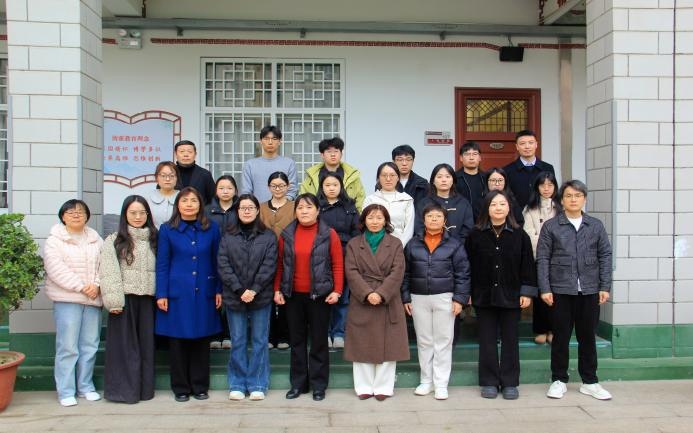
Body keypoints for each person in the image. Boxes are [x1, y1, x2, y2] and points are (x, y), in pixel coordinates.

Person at [537, 180, 612, 401]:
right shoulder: (551, 226)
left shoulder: (595, 225)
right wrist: (545, 288)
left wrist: (604, 286)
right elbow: (543, 258)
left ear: (584, 199)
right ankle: (559, 380)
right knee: (560, 337)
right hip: (560, 290)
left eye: (577, 196)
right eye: (568, 195)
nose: (573, 199)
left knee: (587, 337)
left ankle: (590, 381)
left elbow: (605, 256)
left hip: (589, 290)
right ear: (561, 200)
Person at [465, 190, 537, 400]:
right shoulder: (475, 235)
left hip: (511, 295)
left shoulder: (520, 235)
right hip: (483, 295)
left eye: (502, 204)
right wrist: (467, 292)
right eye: (493, 204)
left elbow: (528, 266)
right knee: (487, 340)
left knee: (510, 340)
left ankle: (509, 382)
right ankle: (489, 381)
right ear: (486, 208)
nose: (498, 208)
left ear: (509, 208)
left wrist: (527, 292)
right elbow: (466, 266)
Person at [273, 193, 344, 401]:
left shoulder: (329, 234)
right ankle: (298, 384)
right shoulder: (287, 234)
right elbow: (280, 264)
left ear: (318, 210)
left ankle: (319, 385)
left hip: (320, 296)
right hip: (293, 295)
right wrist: (277, 289)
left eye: (309, 207)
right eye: (300, 207)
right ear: (295, 211)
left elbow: (337, 264)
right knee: (297, 342)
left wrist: (337, 290)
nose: (304, 211)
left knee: (319, 341)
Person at [155, 187, 222, 403]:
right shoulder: (168, 230)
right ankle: (181, 387)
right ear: (178, 205)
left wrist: (218, 289)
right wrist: (161, 293)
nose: (189, 204)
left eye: (194, 200)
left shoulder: (211, 228)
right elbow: (162, 264)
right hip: (177, 293)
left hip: (205, 291)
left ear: (200, 204)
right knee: (178, 342)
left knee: (201, 340)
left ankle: (200, 386)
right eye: (185, 201)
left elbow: (217, 261)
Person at [401, 202, 470, 401]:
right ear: (423, 220)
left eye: (438, 216)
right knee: (424, 341)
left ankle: (441, 384)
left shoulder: (454, 244)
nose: (433, 219)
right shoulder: (413, 244)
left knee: (443, 341)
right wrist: (405, 297)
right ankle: (426, 381)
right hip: (418, 297)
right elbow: (405, 273)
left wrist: (459, 299)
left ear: (444, 220)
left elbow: (463, 273)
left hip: (445, 297)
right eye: (430, 216)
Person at [343, 204, 409, 401]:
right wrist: (367, 293)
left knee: (389, 345)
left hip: (388, 299)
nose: (374, 222)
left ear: (385, 221)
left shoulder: (395, 243)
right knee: (361, 344)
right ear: (364, 220)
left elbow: (398, 271)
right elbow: (351, 271)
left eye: (379, 218)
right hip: (361, 298)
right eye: (371, 217)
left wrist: (381, 293)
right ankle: (363, 386)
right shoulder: (354, 244)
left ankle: (383, 387)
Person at [217, 194, 278, 402]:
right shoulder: (228, 236)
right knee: (238, 340)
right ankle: (237, 383)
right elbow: (223, 265)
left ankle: (257, 384)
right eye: (242, 208)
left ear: (257, 210)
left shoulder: (268, 236)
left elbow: (269, 265)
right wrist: (239, 290)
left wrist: (254, 289)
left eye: (250, 207)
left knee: (260, 341)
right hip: (234, 297)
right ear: (237, 211)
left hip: (260, 297)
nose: (246, 211)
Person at [43, 199, 103, 407]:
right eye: (71, 212)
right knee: (68, 346)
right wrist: (81, 287)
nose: (76, 215)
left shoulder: (96, 239)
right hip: (67, 298)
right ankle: (66, 391)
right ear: (63, 216)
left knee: (89, 345)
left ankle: (85, 387)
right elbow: (55, 268)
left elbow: (104, 265)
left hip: (93, 299)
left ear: (87, 216)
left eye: (80, 212)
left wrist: (96, 285)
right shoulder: (54, 240)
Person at [99, 195, 157, 404]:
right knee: (123, 349)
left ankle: (144, 391)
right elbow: (109, 271)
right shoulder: (114, 240)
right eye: (133, 213)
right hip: (124, 301)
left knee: (146, 348)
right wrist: (114, 301)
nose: (138, 217)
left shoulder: (155, 239)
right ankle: (123, 392)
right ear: (125, 214)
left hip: (148, 300)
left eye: (142, 212)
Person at [316, 173, 360, 349]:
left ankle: (339, 333)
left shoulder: (350, 207)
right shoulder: (316, 206)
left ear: (341, 187)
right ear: (322, 187)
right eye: (327, 185)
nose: (331, 188)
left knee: (342, 297)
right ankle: (324, 333)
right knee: (323, 297)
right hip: (321, 256)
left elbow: (357, 232)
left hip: (345, 255)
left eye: (335, 185)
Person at [522, 172, 561, 345]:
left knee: (557, 295)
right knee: (540, 295)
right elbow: (528, 234)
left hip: (559, 258)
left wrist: (546, 238)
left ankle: (554, 329)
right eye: (543, 185)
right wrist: (549, 240)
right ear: (537, 187)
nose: (546, 189)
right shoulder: (529, 208)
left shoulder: (561, 207)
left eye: (550, 185)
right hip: (537, 257)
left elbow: (564, 235)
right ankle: (540, 329)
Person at [259, 171, 295, 350]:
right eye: (274, 186)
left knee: (286, 297)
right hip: (265, 258)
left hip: (289, 257)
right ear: (268, 187)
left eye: (281, 185)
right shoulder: (261, 207)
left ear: (288, 186)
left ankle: (284, 336)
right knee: (267, 298)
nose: (278, 189)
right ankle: (269, 335)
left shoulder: (295, 207)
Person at [205, 174, 239, 350]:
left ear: (235, 190)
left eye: (229, 188)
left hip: (236, 260)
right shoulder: (206, 210)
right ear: (216, 191)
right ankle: (214, 334)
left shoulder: (241, 208)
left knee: (231, 298)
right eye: (221, 188)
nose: (225, 191)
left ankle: (228, 334)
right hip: (212, 259)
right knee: (213, 297)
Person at [300, 137, 366, 211]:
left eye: (336, 151)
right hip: (318, 215)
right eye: (329, 152)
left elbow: (360, 199)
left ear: (341, 154)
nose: (333, 154)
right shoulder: (312, 175)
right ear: (322, 155)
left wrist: (356, 216)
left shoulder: (352, 175)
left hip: (346, 215)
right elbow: (303, 197)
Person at [415, 163, 474, 243]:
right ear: (433, 181)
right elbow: (419, 228)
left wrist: (456, 245)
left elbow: (467, 230)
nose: (444, 180)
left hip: (458, 247)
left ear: (453, 180)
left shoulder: (463, 203)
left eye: (447, 176)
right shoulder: (424, 203)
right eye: (439, 177)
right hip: (430, 246)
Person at [363, 162, 415, 246]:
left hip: (400, 246)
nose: (388, 179)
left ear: (398, 178)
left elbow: (409, 229)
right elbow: (365, 225)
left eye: (392, 175)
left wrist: (399, 246)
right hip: (374, 246)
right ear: (378, 178)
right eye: (384, 175)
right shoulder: (370, 200)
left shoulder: (406, 199)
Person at [242, 125, 298, 203]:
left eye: (274, 139)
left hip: (283, 208)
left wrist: (280, 205)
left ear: (280, 141)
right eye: (266, 139)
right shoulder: (250, 165)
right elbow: (246, 191)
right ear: (261, 141)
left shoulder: (289, 163)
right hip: (257, 208)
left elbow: (292, 190)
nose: (270, 142)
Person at [502, 130, 556, 210]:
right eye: (522, 143)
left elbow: (553, 193)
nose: (527, 146)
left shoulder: (547, 168)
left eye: (531, 143)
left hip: (543, 213)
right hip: (517, 215)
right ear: (517, 146)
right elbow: (506, 196)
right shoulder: (507, 170)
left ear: (536, 144)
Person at [174, 140, 216, 205]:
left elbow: (213, 199)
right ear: (176, 154)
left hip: (200, 211)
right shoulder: (169, 174)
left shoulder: (205, 174)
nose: (186, 155)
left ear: (195, 154)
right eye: (182, 151)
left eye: (190, 152)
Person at [455, 141, 487, 221]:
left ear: (480, 158)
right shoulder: (454, 178)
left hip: (482, 222)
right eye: (467, 154)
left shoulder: (486, 178)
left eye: (475, 154)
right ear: (461, 158)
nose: (471, 158)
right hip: (460, 220)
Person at [148, 161, 180, 228]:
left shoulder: (182, 197)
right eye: (163, 176)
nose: (167, 179)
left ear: (177, 178)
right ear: (156, 178)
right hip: (153, 234)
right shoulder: (148, 197)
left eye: (172, 176)